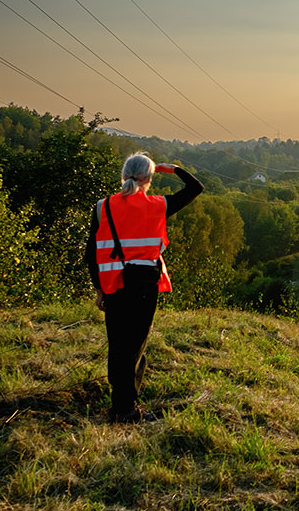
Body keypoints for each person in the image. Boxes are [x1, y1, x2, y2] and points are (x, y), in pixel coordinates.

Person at [85, 152, 203, 423]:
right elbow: (196, 188)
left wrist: (99, 289)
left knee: (118, 345)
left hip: (113, 285)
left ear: (124, 175)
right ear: (148, 178)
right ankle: (126, 410)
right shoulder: (158, 205)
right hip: (143, 284)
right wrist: (171, 169)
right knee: (135, 345)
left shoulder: (102, 207)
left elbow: (91, 253)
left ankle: (120, 404)